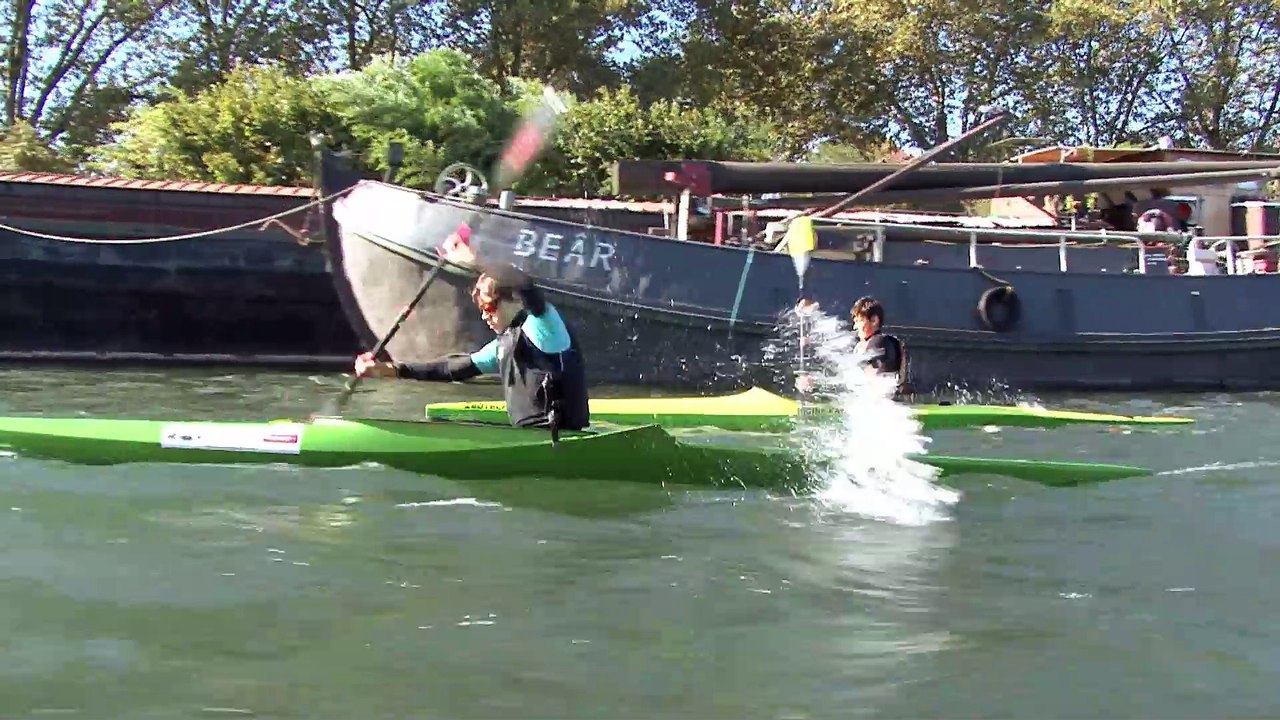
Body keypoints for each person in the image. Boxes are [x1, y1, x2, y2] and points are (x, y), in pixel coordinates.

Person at [354, 235, 590, 433]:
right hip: (531, 435)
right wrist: (390, 370)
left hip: (559, 436)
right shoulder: (503, 345)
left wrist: (477, 262)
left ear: (512, 301)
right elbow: (450, 369)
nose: (485, 316)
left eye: (489, 307)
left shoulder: (543, 326)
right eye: (482, 311)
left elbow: (524, 284)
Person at [794, 295, 908, 395]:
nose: (855, 327)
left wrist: (816, 382)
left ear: (874, 320)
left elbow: (866, 384)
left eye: (858, 321)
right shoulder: (890, 343)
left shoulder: (877, 343)